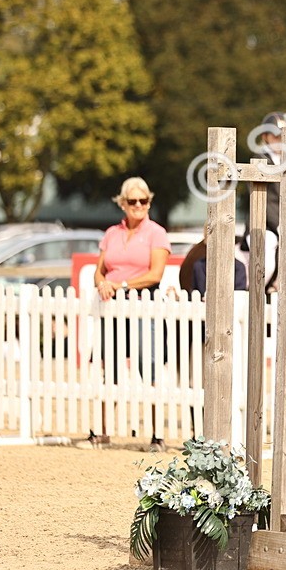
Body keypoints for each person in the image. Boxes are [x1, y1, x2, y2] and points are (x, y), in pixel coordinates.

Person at [92, 177, 171, 448]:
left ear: (149, 202)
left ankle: (157, 434)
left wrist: (121, 284)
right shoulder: (111, 233)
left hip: (143, 306)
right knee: (110, 366)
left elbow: (155, 275)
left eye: (143, 200)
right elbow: (99, 270)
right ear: (123, 203)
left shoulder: (156, 233)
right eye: (133, 200)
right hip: (113, 307)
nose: (139, 205)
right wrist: (102, 283)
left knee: (149, 367)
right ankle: (101, 431)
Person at [245, 111, 286, 290]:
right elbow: (266, 200)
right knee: (268, 252)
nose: (279, 140)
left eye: (282, 136)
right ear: (265, 136)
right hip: (263, 224)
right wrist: (279, 225)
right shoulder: (259, 159)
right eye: (275, 136)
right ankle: (250, 288)